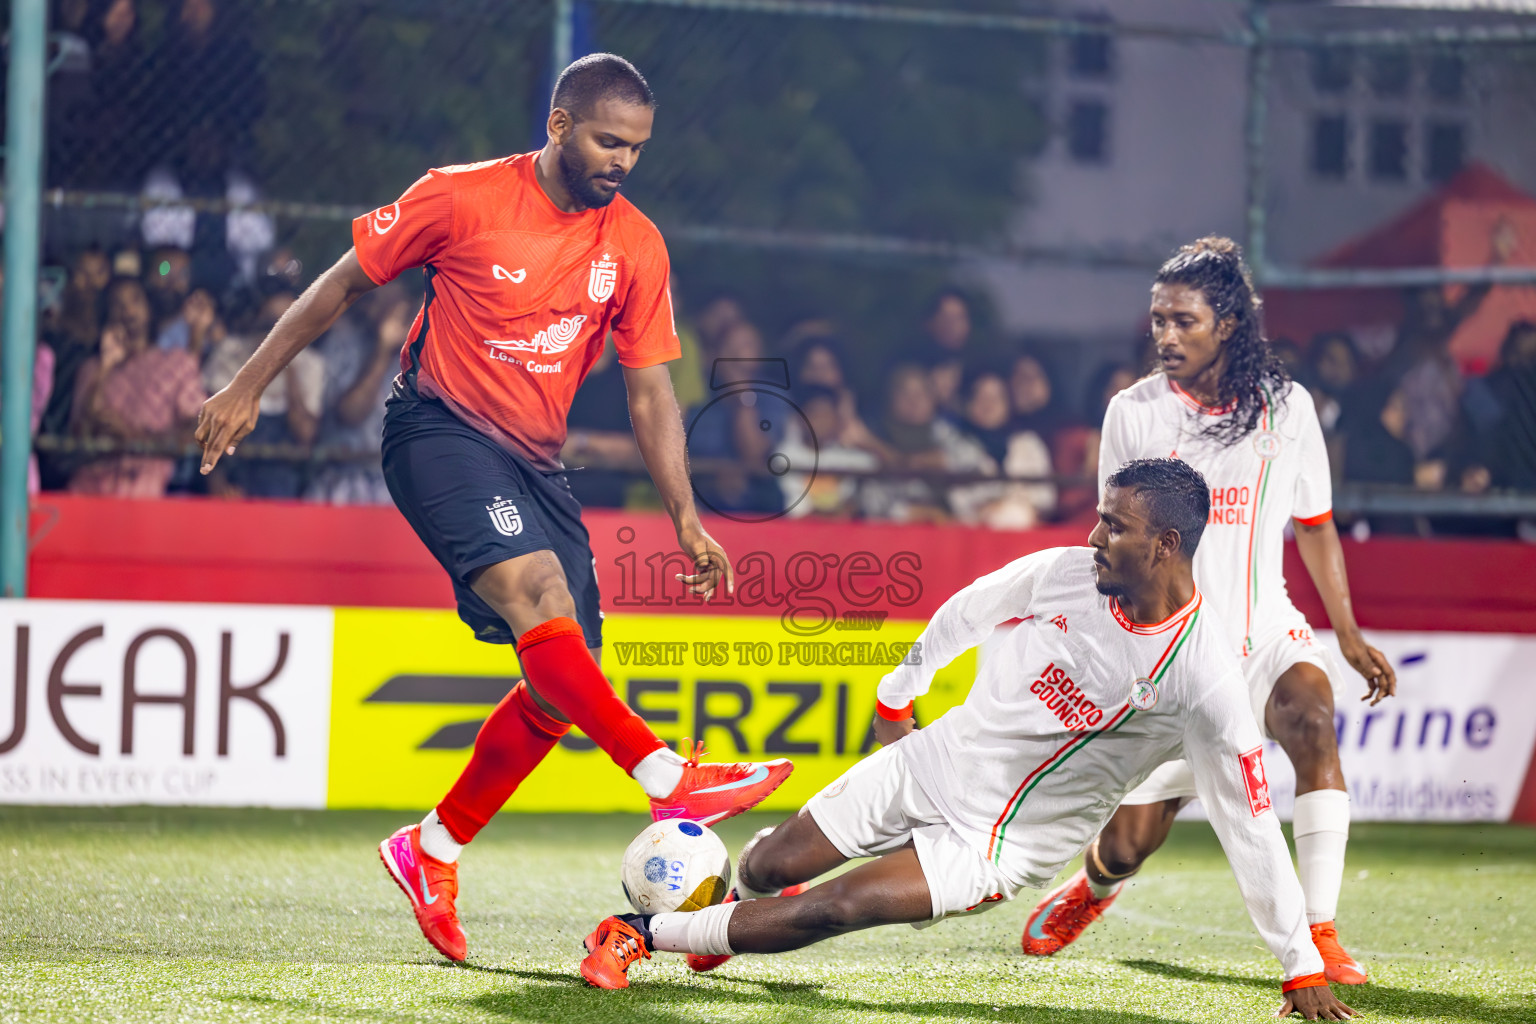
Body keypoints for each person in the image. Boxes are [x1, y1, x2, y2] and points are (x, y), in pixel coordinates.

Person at [192, 53, 792, 962]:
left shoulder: (635, 243)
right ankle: (669, 775)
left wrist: (685, 516)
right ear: (558, 125)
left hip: (536, 466)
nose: (621, 161)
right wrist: (244, 386)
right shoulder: (461, 196)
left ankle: (430, 848)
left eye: (635, 148)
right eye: (605, 140)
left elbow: (651, 394)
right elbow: (339, 284)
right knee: (540, 593)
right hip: (436, 430)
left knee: (562, 685)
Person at [579, 458, 1355, 1020]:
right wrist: (899, 691)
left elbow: (1250, 822)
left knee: (837, 908)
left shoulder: (1205, 680)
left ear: (1166, 546)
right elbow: (970, 608)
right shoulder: (1066, 574)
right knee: (769, 864)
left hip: (999, 846)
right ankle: (725, 920)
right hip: (931, 761)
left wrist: (1299, 966)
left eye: (1114, 525)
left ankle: (638, 934)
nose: (1093, 534)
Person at [1018, 237, 1396, 986]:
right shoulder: (1133, 413)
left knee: (1315, 724)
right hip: (1175, 658)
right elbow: (1113, 537)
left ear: (1227, 322)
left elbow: (1315, 524)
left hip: (1268, 633)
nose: (1164, 335)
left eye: (1183, 320)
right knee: (1129, 842)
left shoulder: (1287, 409)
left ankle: (1318, 931)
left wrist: (1345, 634)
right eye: (1157, 320)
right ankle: (1094, 885)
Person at [68, 277, 206, 497]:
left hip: (149, 487)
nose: (128, 310)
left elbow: (198, 428)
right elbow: (80, 433)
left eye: (135, 301)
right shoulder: (91, 369)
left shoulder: (177, 363)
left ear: (149, 309)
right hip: (91, 489)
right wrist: (105, 367)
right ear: (108, 314)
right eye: (118, 304)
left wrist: (133, 437)